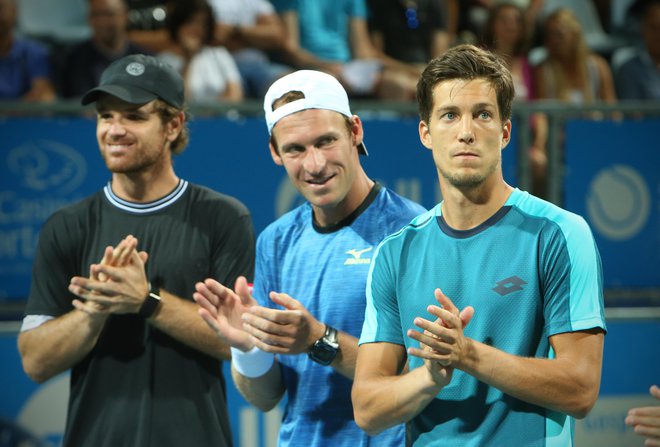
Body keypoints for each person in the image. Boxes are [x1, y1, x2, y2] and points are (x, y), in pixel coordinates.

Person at [352, 44, 606, 446]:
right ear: (426, 133)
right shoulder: (395, 253)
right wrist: (430, 377)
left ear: (505, 132)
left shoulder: (560, 233)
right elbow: (367, 409)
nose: (466, 131)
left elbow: (581, 389)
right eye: (449, 116)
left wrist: (467, 355)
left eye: (482, 114)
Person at [17, 53, 255, 447]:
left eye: (134, 116)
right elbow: (35, 362)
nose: (115, 129)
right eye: (106, 116)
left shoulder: (223, 218)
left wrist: (148, 302)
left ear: (173, 125)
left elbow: (240, 342)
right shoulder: (67, 226)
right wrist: (94, 310)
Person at [194, 69, 426, 446]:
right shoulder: (275, 241)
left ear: (355, 131)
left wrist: (319, 340)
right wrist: (248, 347)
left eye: (326, 141)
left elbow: (424, 376)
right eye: (295, 149)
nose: (315, 165)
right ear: (274, 152)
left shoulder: (414, 231)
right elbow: (266, 397)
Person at [272, 0, 419, 100]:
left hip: (348, 69)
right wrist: (327, 66)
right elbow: (290, 48)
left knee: (396, 84)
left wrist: (408, 70)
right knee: (328, 83)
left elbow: (362, 50)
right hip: (308, 68)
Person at [480, 2, 549, 198]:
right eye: (504, 20)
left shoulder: (529, 65)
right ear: (492, 24)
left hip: (522, 138)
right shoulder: (479, 59)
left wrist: (538, 145)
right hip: (488, 135)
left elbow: (539, 111)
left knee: (539, 162)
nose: (510, 25)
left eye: (516, 21)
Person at [58, 0, 151, 99]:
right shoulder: (72, 60)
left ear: (125, 16)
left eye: (109, 14)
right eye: (96, 15)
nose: (102, 22)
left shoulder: (145, 61)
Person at [158, 0, 243, 103]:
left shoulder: (220, 54)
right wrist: (188, 60)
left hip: (221, 118)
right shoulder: (163, 61)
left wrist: (210, 113)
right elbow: (178, 103)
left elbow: (235, 95)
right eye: (191, 22)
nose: (197, 29)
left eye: (203, 24)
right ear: (178, 24)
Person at [209, 0, 292, 99]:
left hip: (257, 64)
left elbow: (277, 36)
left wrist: (236, 30)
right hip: (218, 65)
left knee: (292, 83)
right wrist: (253, 36)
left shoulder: (255, 2)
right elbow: (214, 37)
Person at [534, 7, 617, 105]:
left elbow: (613, 111)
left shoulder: (598, 67)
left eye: (559, 34)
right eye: (549, 35)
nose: (553, 40)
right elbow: (541, 114)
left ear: (575, 35)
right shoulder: (544, 71)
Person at [0, 0, 55, 101]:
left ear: (14, 11)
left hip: (24, 117)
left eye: (1, 7)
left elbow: (43, 97)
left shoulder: (34, 53)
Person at [613, 0, 660, 100]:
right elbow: (633, 113)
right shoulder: (629, 70)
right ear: (643, 29)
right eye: (654, 27)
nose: (658, 34)